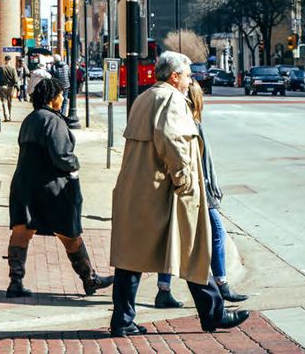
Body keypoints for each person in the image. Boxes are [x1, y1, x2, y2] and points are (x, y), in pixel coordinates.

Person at [107, 51, 250, 338]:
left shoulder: (145, 97)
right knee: (193, 250)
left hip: (137, 190)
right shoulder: (172, 99)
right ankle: (214, 314)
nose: (190, 80)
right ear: (174, 76)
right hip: (164, 193)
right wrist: (185, 181)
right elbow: (173, 142)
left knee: (131, 258)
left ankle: (123, 320)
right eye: (187, 75)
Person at [4, 76, 114, 299]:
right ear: (52, 97)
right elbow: (62, 156)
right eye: (60, 94)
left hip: (24, 184)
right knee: (69, 232)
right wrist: (75, 164)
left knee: (21, 231)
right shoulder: (53, 121)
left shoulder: (30, 119)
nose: (62, 98)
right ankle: (89, 278)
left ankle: (15, 282)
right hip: (52, 187)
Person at [151, 81, 247, 307]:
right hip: (196, 189)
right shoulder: (191, 125)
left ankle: (164, 289)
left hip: (190, 188)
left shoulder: (186, 123)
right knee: (215, 233)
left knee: (172, 237)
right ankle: (221, 284)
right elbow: (197, 163)